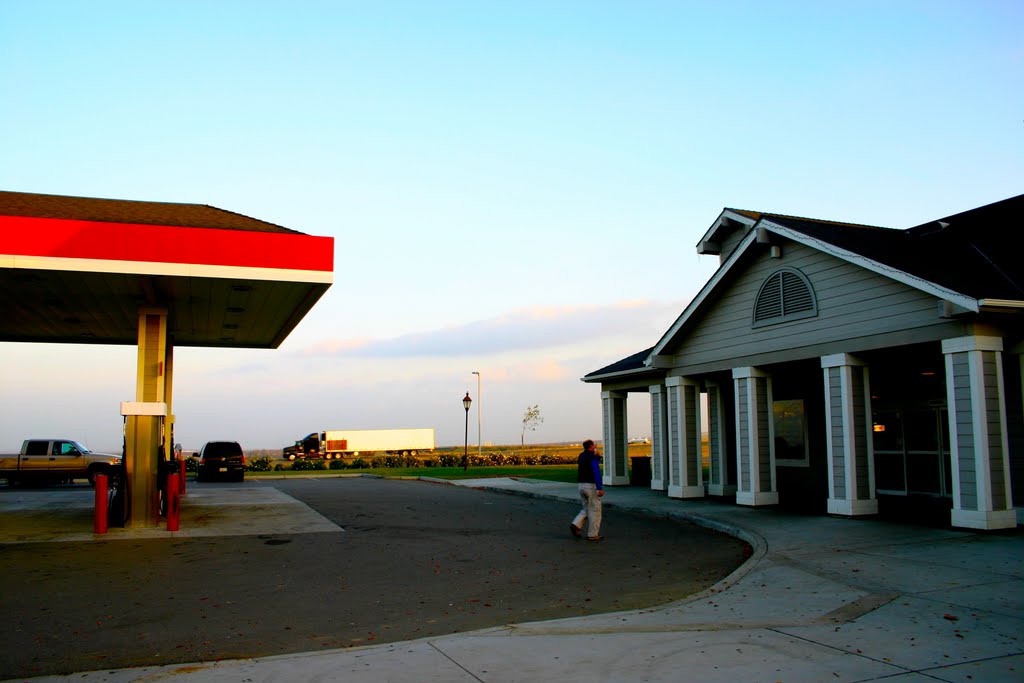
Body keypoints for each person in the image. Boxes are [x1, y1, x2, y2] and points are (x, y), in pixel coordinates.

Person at [569, 439, 604, 541]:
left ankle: (576, 524)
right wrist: (599, 488)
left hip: (581, 484)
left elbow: (587, 462)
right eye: (593, 445)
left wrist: (596, 456)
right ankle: (593, 534)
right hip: (591, 485)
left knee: (586, 508)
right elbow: (595, 471)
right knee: (595, 510)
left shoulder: (581, 456)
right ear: (591, 446)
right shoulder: (592, 457)